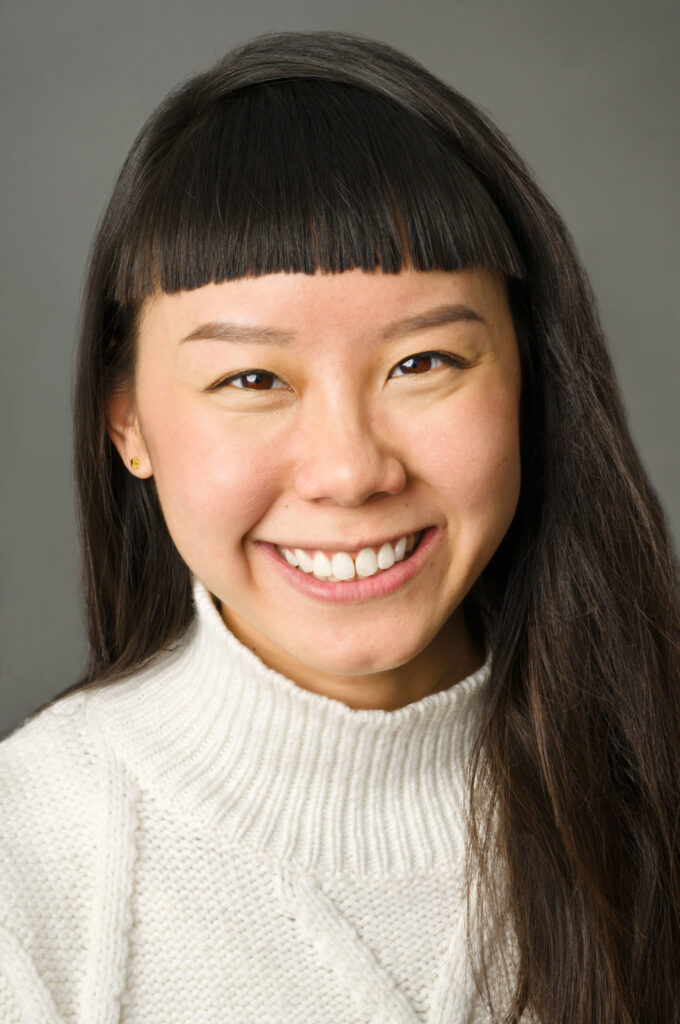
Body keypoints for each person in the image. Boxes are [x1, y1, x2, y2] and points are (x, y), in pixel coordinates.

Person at [1, 29, 678, 1024]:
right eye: (250, 379)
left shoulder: (652, 784)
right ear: (129, 423)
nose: (351, 470)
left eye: (423, 363)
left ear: (530, 378)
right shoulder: (28, 859)